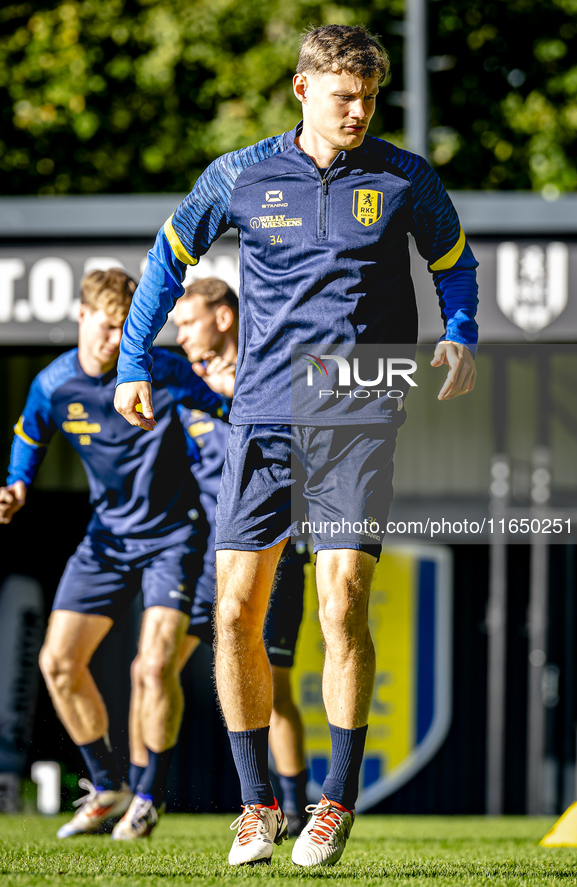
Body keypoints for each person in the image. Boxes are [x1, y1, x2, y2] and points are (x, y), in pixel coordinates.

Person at [114, 24, 478, 867]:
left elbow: (454, 262)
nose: (358, 112)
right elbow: (167, 261)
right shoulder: (237, 176)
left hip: (357, 402)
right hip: (265, 412)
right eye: (343, 96)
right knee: (235, 610)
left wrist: (458, 330)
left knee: (341, 596)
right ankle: (256, 805)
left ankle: (335, 802)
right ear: (301, 89)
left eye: (370, 98)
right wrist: (135, 356)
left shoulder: (404, 178)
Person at [0, 268, 232, 840]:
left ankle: (148, 795)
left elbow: (229, 406)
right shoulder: (54, 385)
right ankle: (109, 788)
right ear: (81, 317)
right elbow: (30, 435)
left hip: (176, 538)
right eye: (106, 328)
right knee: (57, 663)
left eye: (125, 330)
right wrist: (17, 483)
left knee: (153, 668)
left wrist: (237, 386)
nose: (115, 341)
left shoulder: (163, 370)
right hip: (105, 540)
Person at [127, 278, 310, 836]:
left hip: (272, 552)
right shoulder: (180, 383)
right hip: (208, 556)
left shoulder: (274, 370)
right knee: (150, 668)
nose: (178, 336)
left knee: (274, 692)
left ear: (224, 318)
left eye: (187, 322)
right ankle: (142, 797)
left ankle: (296, 809)